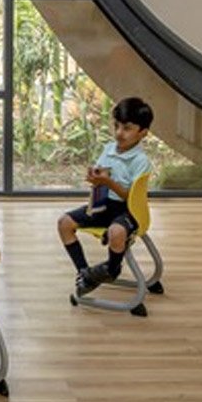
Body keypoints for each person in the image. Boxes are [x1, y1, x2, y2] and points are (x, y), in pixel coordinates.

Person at [58, 95, 154, 294]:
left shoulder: (141, 161)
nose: (119, 133)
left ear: (142, 133)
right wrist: (95, 175)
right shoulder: (109, 149)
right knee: (64, 223)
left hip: (128, 211)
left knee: (116, 232)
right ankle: (85, 273)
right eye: (117, 126)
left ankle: (111, 269)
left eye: (127, 128)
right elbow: (101, 173)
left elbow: (130, 197)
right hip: (104, 205)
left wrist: (108, 182)